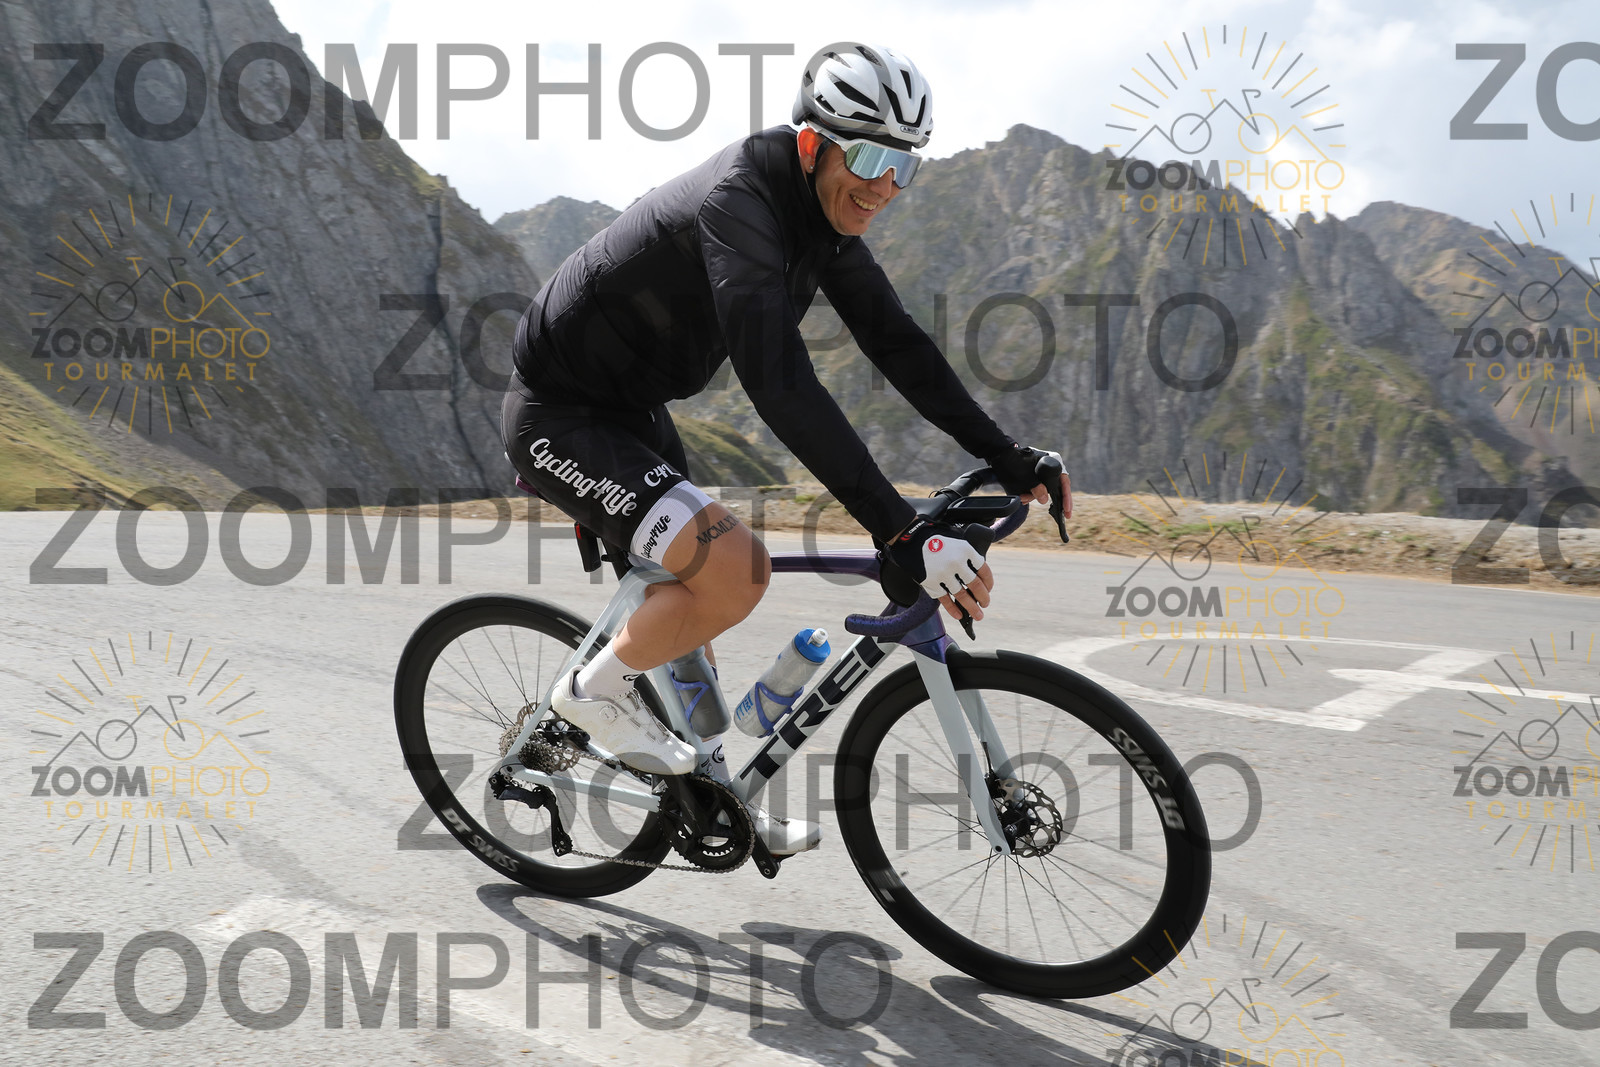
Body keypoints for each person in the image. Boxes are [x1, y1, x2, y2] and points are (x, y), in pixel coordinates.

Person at [501, 44, 1071, 856]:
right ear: (812, 144)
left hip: (630, 409)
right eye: (868, 158)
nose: (884, 185)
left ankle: (710, 795)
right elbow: (780, 382)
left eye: (905, 165)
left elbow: (897, 344)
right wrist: (897, 527)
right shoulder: (741, 202)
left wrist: (1007, 454)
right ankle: (590, 697)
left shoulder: (822, 220)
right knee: (737, 568)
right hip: (559, 415)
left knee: (689, 613)